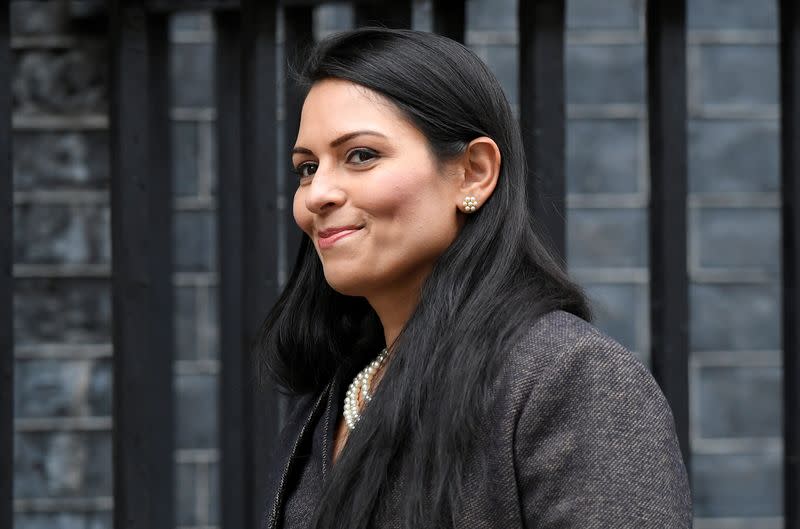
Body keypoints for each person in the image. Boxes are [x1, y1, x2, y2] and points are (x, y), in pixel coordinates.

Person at [257, 27, 692, 529]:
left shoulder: (566, 378)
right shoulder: (338, 389)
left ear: (473, 172)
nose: (318, 194)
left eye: (361, 155)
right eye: (307, 167)